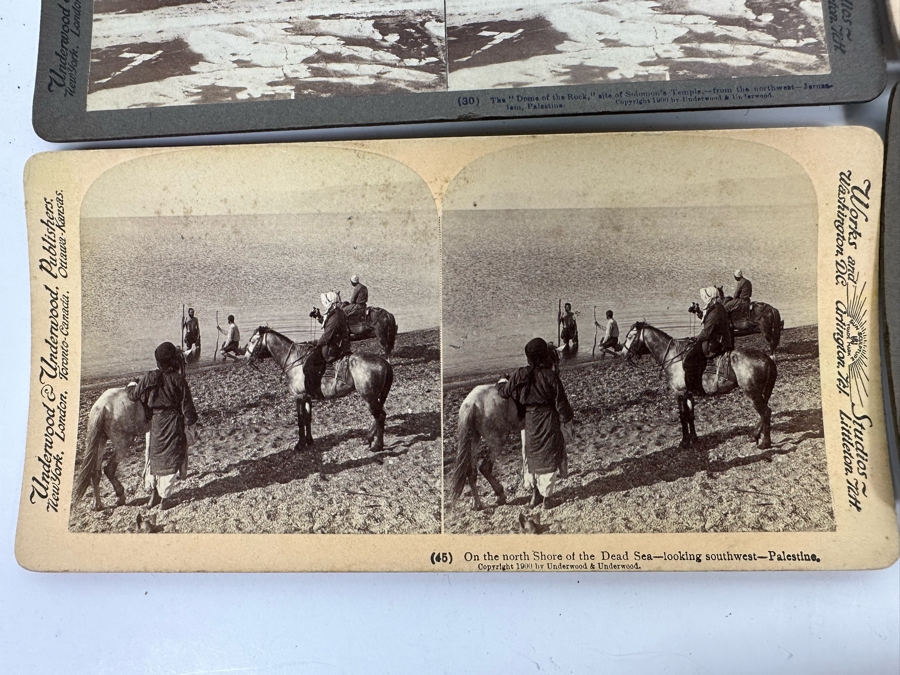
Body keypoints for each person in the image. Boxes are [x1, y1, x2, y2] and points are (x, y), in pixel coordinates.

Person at [497, 337, 574, 510]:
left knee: (532, 457)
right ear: (545, 356)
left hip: (530, 421)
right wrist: (566, 420)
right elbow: (561, 403)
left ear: (529, 357)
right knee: (550, 456)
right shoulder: (550, 376)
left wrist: (501, 381)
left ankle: (535, 497)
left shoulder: (520, 374)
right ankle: (547, 500)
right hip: (548, 420)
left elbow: (504, 392)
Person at [129, 342, 198, 511]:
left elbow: (133, 395)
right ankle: (164, 500)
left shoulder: (149, 377)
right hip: (173, 422)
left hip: (156, 423)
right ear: (174, 360)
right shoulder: (178, 379)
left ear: (158, 361)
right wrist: (191, 424)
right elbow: (188, 408)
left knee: (155, 457)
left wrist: (131, 385)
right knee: (172, 458)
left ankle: (154, 496)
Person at [682, 287, 734, 396]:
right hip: (719, 339)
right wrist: (698, 311)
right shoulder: (717, 307)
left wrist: (695, 338)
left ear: (709, 297)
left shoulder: (716, 311)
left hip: (717, 343)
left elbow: (706, 332)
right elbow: (707, 320)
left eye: (705, 297)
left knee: (689, 360)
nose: (703, 299)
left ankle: (696, 390)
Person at [305, 291, 352, 399]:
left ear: (330, 303)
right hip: (337, 345)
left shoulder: (335, 316)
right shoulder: (337, 313)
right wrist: (318, 316)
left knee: (310, 363)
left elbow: (327, 336)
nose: (324, 304)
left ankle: (314, 393)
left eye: (325, 302)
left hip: (333, 349)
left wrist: (315, 344)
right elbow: (327, 325)